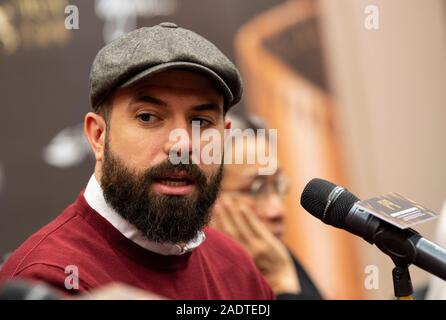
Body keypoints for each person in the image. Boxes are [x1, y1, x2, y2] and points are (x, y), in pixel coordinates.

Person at [0, 23, 274, 300]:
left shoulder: (236, 266)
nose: (181, 145)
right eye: (148, 117)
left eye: (201, 122)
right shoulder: (51, 280)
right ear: (98, 136)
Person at [212, 113, 322, 299]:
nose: (277, 211)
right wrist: (280, 284)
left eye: (278, 185)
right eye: (256, 189)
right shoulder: (201, 286)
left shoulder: (275, 257)